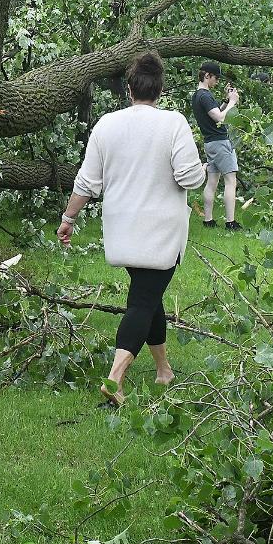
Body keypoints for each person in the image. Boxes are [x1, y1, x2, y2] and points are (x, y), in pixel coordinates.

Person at [58, 52, 205, 406]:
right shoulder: (174, 124)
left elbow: (88, 181)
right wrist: (201, 167)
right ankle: (114, 379)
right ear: (161, 89)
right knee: (142, 300)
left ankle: (163, 369)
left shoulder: (106, 124)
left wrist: (68, 218)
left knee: (148, 295)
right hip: (161, 232)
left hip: (122, 230)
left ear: (129, 89)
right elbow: (189, 176)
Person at [190, 62, 241, 230]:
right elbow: (219, 118)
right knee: (230, 181)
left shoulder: (197, 96)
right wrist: (233, 102)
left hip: (209, 143)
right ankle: (230, 222)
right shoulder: (205, 95)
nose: (217, 82)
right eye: (216, 78)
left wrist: (226, 101)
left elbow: (215, 113)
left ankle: (208, 220)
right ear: (207, 76)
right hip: (220, 142)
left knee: (212, 181)